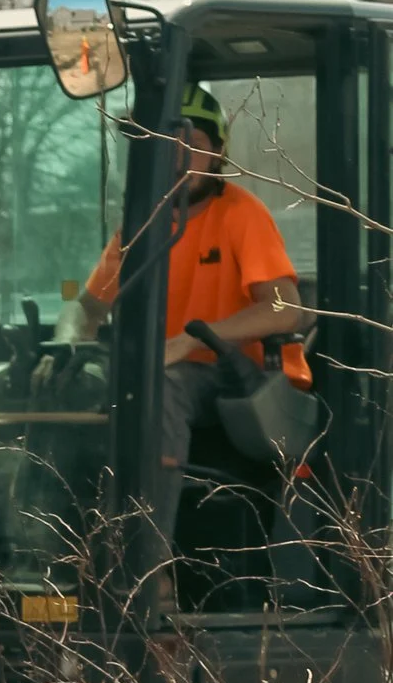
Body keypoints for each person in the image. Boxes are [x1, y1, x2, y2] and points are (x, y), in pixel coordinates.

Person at [77, 83, 316, 516]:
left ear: (219, 150)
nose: (178, 155)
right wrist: (73, 349)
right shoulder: (141, 223)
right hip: (159, 369)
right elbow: (90, 307)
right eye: (166, 143)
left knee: (161, 387)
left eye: (193, 143)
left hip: (235, 373)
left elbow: (286, 308)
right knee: (65, 387)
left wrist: (193, 342)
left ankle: (149, 563)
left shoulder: (241, 213)